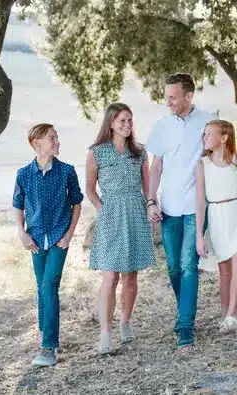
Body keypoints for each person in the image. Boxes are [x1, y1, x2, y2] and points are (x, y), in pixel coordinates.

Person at [146, 73, 212, 350]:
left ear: (189, 96)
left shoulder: (208, 122)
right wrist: (151, 200)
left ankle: (186, 324)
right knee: (173, 266)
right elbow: (156, 166)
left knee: (188, 265)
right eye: (167, 96)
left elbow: (218, 158)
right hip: (169, 208)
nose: (168, 102)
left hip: (196, 207)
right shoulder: (162, 125)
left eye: (173, 97)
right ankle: (185, 310)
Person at [86, 103, 155, 354]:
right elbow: (90, 190)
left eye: (130, 121)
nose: (127, 125)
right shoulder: (97, 153)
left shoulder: (140, 152)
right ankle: (105, 332)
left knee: (130, 275)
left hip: (135, 212)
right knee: (110, 276)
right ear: (111, 123)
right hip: (110, 214)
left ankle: (125, 321)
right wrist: (102, 209)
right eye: (122, 121)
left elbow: (148, 187)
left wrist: (150, 204)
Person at [13, 123, 83, 366]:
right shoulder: (23, 174)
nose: (57, 141)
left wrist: (70, 234)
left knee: (49, 286)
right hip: (35, 239)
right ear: (37, 143)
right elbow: (17, 205)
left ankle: (49, 346)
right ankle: (45, 333)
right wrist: (22, 233)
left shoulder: (67, 171)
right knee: (42, 287)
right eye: (52, 138)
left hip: (58, 239)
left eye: (57, 137)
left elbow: (76, 203)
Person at [196, 120, 237, 333]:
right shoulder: (203, 164)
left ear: (223, 138)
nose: (204, 138)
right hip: (218, 217)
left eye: (209, 134)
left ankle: (231, 315)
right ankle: (224, 313)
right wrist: (200, 236)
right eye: (204, 134)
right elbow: (200, 201)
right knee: (225, 272)